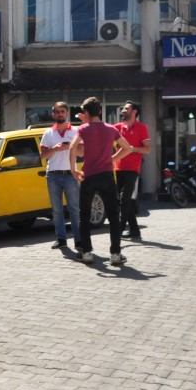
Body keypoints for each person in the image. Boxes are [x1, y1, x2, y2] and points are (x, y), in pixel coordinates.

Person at [70, 97, 132, 266]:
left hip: (89, 176)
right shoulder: (111, 129)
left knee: (84, 215)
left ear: (86, 112)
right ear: (99, 111)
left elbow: (72, 147)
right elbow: (127, 148)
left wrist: (73, 169)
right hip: (106, 176)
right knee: (113, 215)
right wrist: (112, 159)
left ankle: (87, 252)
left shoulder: (83, 129)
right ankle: (115, 254)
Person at [39, 101, 79, 250]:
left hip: (70, 174)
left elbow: (83, 151)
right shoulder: (48, 133)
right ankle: (61, 239)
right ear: (53, 114)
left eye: (62, 111)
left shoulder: (75, 131)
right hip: (53, 175)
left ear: (67, 113)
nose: (60, 114)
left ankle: (79, 240)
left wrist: (70, 146)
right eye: (57, 112)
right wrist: (55, 149)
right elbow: (42, 156)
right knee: (57, 210)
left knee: (74, 209)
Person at [113, 100, 151, 240]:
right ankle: (134, 230)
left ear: (134, 111)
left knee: (125, 199)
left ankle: (120, 229)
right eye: (123, 108)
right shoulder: (117, 127)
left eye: (126, 108)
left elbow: (147, 149)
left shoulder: (142, 127)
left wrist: (132, 149)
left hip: (132, 169)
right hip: (117, 168)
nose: (123, 110)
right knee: (122, 200)